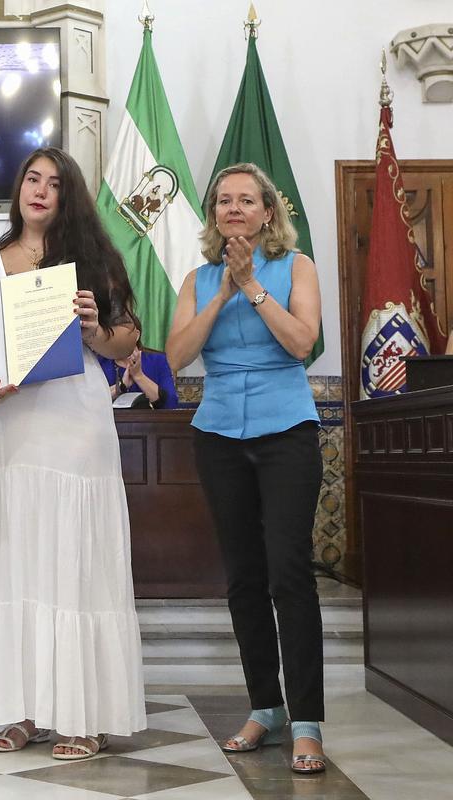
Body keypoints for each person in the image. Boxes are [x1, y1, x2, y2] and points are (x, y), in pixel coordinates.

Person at [0, 146, 147, 760]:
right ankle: (25, 711)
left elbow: (126, 342)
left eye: (54, 183)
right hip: (8, 426)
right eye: (31, 178)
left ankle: (82, 716)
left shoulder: (91, 260)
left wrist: (94, 331)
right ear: (18, 187)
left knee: (73, 561)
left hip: (73, 422)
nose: (39, 190)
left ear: (70, 196)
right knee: (18, 563)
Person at [165, 162, 326, 774]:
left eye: (246, 200)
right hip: (219, 434)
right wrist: (225, 293)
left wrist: (254, 286)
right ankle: (267, 706)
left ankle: (307, 720)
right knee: (243, 579)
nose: (234, 209)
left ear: (267, 212)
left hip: (286, 429)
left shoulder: (297, 267)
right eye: (223, 201)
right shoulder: (198, 279)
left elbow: (301, 343)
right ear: (214, 215)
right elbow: (176, 358)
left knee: (289, 573)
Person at [98, 342, 178, 408]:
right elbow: (90, 403)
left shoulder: (157, 360)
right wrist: (121, 386)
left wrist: (139, 376)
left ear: (136, 335)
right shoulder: (98, 362)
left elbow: (170, 403)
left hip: (150, 423)